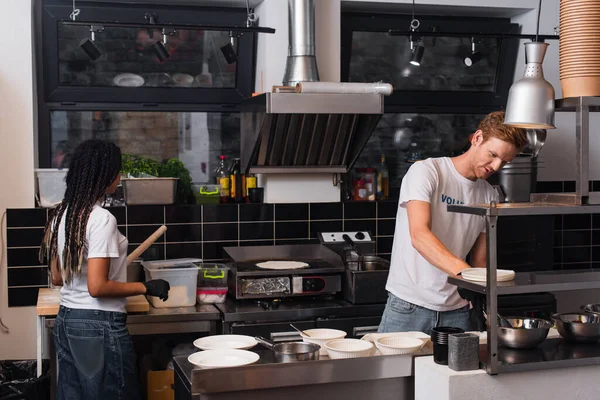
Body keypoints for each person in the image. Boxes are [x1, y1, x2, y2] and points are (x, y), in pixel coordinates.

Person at [39, 140, 171, 400]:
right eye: (118, 171)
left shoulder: (61, 214)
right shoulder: (101, 219)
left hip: (67, 320)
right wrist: (146, 287)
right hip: (99, 325)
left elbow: (56, 277)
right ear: (108, 175)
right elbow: (97, 287)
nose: (119, 177)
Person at [378, 111, 527, 334]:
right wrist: (468, 277)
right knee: (393, 370)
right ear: (477, 138)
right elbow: (420, 236)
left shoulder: (489, 195)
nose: (496, 166)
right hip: (408, 307)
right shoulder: (427, 172)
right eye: (493, 155)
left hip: (459, 310)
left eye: (504, 162)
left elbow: (480, 259)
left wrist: (483, 296)